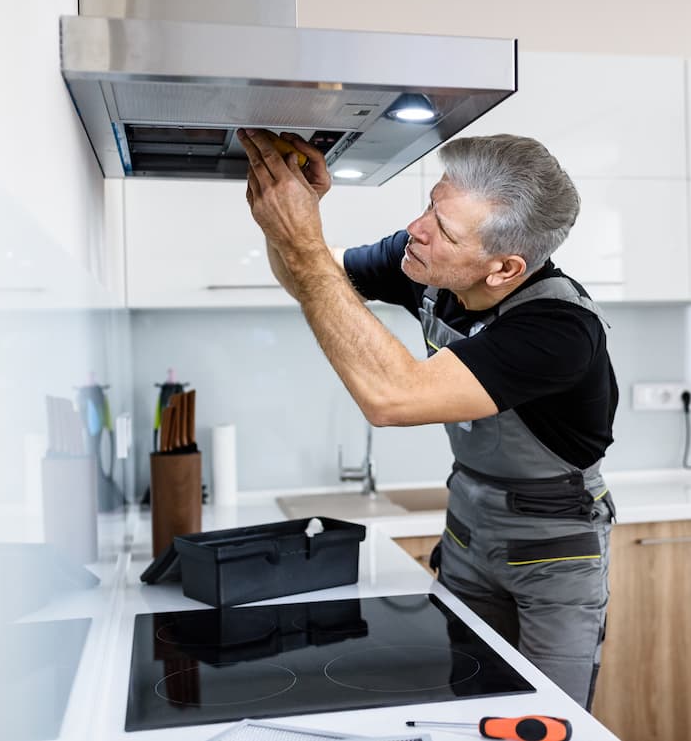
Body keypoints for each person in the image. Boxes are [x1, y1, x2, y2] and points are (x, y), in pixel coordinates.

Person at [238, 128, 618, 709]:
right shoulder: (426, 262)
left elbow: (392, 397)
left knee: (544, 720)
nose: (418, 230)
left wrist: (304, 239)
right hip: (467, 528)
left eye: (444, 230)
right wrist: (288, 223)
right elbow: (311, 282)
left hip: (554, 553)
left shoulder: (559, 330)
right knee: (465, 709)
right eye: (431, 206)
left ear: (503, 268)